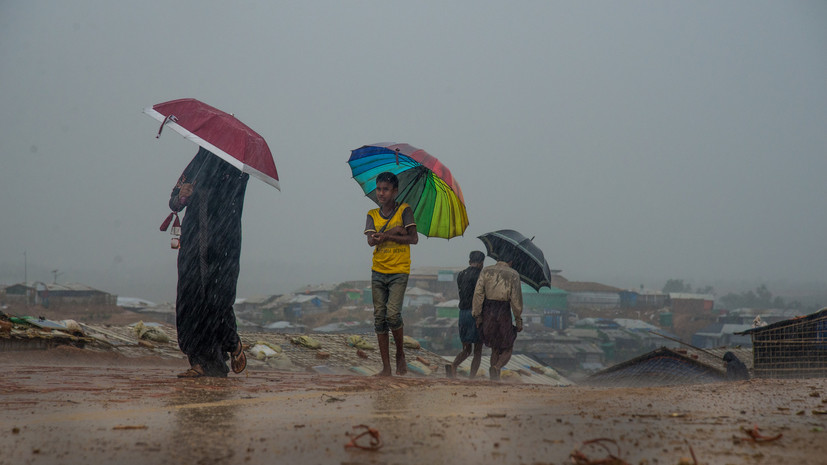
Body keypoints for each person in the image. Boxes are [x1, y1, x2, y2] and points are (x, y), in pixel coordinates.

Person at [169, 147, 249, 378]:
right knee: (190, 297)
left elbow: (230, 206)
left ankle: (227, 346)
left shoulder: (238, 169)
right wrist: (182, 194)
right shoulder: (198, 164)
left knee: (217, 298)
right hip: (194, 241)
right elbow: (174, 202)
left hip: (223, 242)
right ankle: (200, 360)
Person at [364, 171, 418, 376]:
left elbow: (413, 238)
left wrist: (387, 235)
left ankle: (400, 354)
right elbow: (370, 241)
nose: (381, 193)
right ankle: (386, 367)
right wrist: (393, 232)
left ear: (395, 191)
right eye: (379, 189)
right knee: (379, 318)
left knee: (393, 314)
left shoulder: (405, 210)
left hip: (399, 271)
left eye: (386, 189)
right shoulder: (372, 214)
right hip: (378, 271)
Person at [472, 248, 523, 381]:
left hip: (488, 310)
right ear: (511, 261)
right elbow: (516, 300)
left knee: (495, 346)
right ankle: (497, 367)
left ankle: (494, 379)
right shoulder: (513, 274)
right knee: (508, 346)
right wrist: (518, 320)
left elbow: (478, 294)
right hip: (503, 310)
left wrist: (477, 315)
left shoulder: (486, 270)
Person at [447, 250, 485, 379]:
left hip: (462, 314)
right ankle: (472, 378)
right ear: (481, 263)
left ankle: (453, 366)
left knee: (466, 349)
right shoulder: (482, 276)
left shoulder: (461, 274)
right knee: (478, 350)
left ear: (470, 262)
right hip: (476, 314)